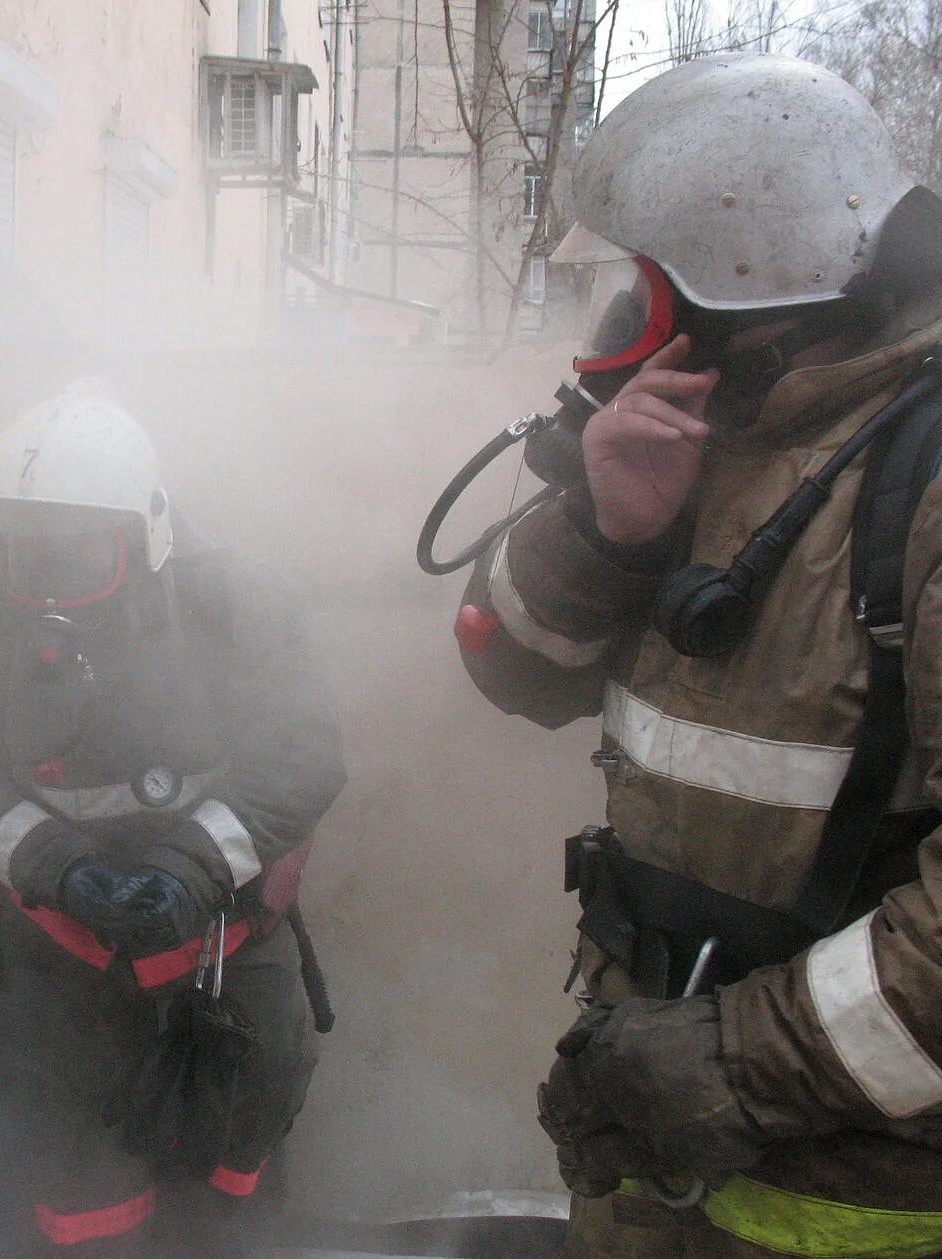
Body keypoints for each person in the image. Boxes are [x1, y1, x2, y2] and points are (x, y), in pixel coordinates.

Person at [455, 53, 942, 1258]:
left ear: (732, 290)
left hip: (852, 1201)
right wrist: (611, 532)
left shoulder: (918, 486)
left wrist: (733, 1060)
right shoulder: (701, 439)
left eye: (642, 286)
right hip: (654, 1155)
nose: (617, 323)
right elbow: (510, 668)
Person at [0, 385, 346, 1257]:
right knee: (83, 1202)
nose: (45, 585)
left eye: (75, 560)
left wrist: (192, 865)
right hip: (63, 971)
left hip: (228, 955)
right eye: (23, 558)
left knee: (233, 1172)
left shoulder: (233, 606)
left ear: (145, 538)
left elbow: (303, 759)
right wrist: (61, 867)